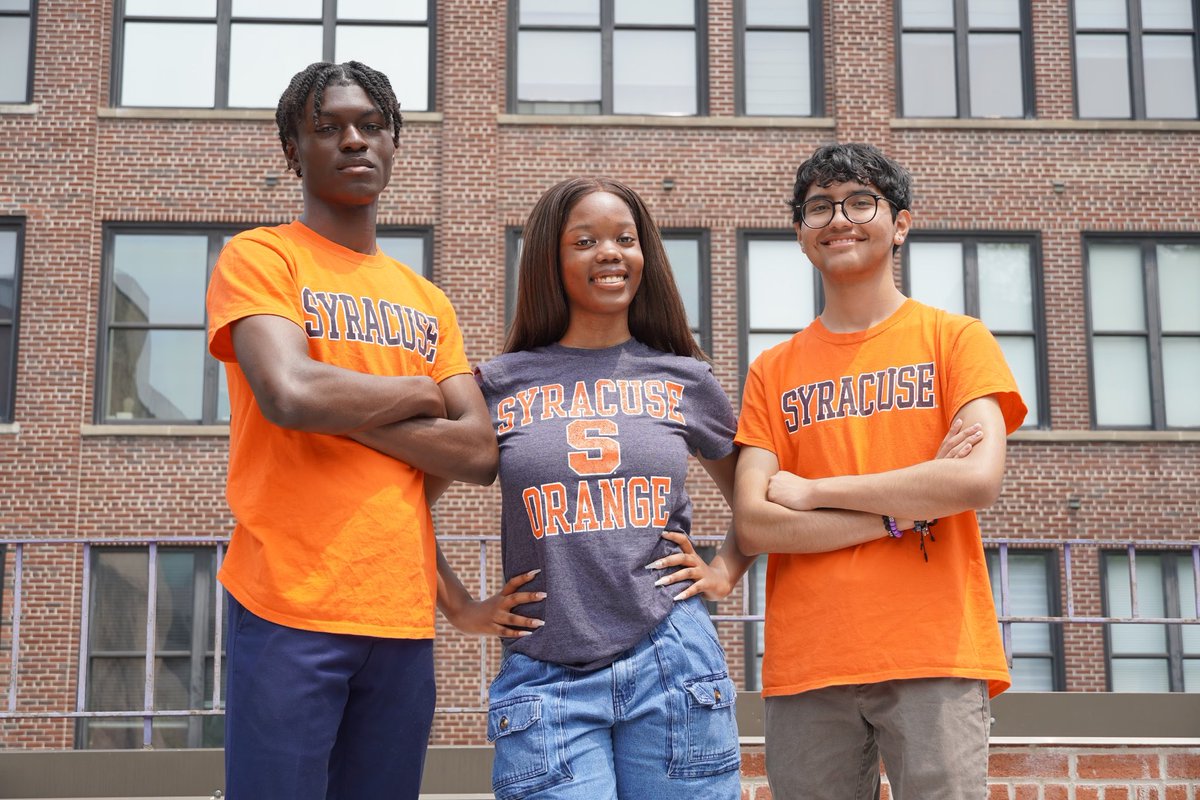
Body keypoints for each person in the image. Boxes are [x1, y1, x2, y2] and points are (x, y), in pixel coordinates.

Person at [205, 61, 498, 800]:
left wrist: (348, 411)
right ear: (293, 150)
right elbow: (291, 392)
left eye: (371, 125)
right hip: (287, 603)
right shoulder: (260, 258)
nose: (353, 140)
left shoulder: (426, 300)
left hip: (400, 615)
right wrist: (415, 391)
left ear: (395, 143)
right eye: (328, 127)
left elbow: (478, 451)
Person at [440, 177, 754, 800]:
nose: (610, 252)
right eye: (585, 241)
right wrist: (459, 607)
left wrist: (726, 570)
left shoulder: (684, 377)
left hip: (673, 659)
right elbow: (405, 505)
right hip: (545, 676)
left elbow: (757, 490)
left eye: (625, 239)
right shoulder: (497, 384)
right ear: (549, 264)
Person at [732, 143, 1027, 800]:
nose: (838, 218)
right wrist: (904, 507)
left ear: (900, 223)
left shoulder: (957, 340)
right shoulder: (772, 371)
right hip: (809, 662)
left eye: (860, 201)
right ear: (802, 236)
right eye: (818, 208)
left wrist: (813, 493)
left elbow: (977, 479)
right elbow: (754, 521)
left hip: (935, 651)